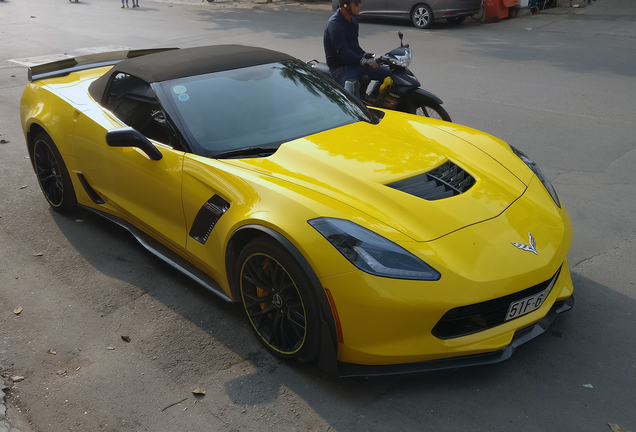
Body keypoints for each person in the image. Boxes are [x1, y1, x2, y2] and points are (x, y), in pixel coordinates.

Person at [323, 0, 390, 97]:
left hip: (355, 64)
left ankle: (374, 99)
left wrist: (365, 56)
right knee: (353, 93)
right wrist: (361, 60)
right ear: (345, 5)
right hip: (340, 69)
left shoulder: (353, 20)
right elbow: (343, 52)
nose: (359, 6)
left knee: (387, 72)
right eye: (356, 3)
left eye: (360, 2)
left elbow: (354, 46)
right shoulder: (335, 25)